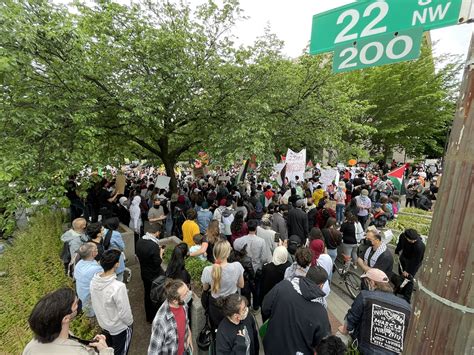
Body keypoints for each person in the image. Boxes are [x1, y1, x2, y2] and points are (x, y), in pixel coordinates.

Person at [338, 269, 411, 355]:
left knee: (338, 338)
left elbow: (350, 320)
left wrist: (344, 330)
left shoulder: (365, 296)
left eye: (366, 281)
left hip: (365, 350)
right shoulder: (406, 306)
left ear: (372, 283)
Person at [262, 265, 331, 355]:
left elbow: (265, 308)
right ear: (321, 285)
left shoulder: (283, 286)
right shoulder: (321, 312)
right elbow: (322, 343)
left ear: (306, 275)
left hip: (272, 346)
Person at [23, 287, 113, 355]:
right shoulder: (77, 353)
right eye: (75, 304)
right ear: (66, 318)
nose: (78, 304)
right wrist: (105, 351)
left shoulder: (30, 347)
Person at [90, 249, 134, 355]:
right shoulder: (118, 287)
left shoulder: (93, 281)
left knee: (108, 349)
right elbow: (124, 312)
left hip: (104, 323)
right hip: (119, 328)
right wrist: (130, 323)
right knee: (121, 351)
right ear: (117, 264)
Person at [201, 240, 244, 329]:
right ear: (228, 254)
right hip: (232, 302)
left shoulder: (207, 270)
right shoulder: (237, 266)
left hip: (215, 304)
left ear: (214, 254)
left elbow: (205, 288)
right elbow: (241, 285)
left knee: (217, 327)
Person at [233, 219, 272, 311]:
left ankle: (246, 306)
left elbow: (235, 246)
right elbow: (264, 258)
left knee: (245, 288)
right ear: (256, 229)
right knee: (256, 289)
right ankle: (255, 307)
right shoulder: (261, 241)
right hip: (256, 268)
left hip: (244, 269)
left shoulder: (240, 240)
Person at [148, 279, 193, 355]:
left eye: (187, 288)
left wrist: (189, 335)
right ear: (175, 300)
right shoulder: (160, 322)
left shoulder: (183, 304)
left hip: (184, 350)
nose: (189, 293)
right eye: (186, 294)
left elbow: (186, 322)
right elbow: (153, 352)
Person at [135, 223, 166, 323]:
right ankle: (156, 317)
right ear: (157, 232)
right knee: (155, 296)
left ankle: (149, 317)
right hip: (154, 275)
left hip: (144, 272)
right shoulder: (153, 246)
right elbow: (158, 262)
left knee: (147, 295)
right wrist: (160, 252)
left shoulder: (140, 241)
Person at [260, 246, 291, 322]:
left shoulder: (266, 268)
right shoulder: (288, 267)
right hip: (281, 299)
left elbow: (262, 284)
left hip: (267, 296)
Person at [394, 229, 425, 302]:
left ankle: (407, 297)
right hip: (404, 256)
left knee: (409, 278)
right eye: (411, 240)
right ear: (406, 237)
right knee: (401, 274)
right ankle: (401, 289)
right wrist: (397, 251)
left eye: (414, 240)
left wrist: (408, 271)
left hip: (413, 261)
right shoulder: (402, 236)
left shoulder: (420, 246)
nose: (413, 241)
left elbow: (416, 261)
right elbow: (400, 244)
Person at [74, 243, 103, 317]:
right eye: (96, 249)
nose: (98, 250)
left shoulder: (79, 264)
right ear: (93, 253)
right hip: (91, 302)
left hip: (81, 298)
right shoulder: (96, 269)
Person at [102, 217, 126, 282]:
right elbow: (122, 247)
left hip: (105, 257)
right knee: (119, 278)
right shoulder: (115, 234)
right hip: (116, 257)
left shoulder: (102, 231)